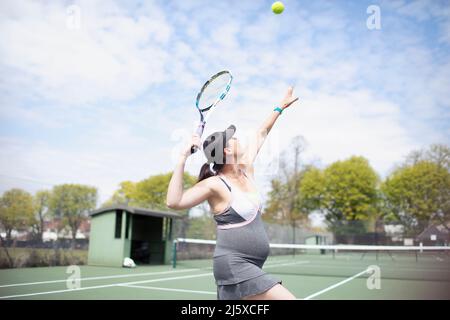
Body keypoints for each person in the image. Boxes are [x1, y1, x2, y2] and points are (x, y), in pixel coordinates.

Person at [166, 87, 299, 300]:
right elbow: (174, 201)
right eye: (233, 138)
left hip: (253, 264)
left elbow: (261, 132)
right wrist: (182, 156)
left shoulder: (246, 169)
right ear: (226, 151)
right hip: (233, 264)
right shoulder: (216, 184)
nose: (238, 139)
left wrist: (280, 106)